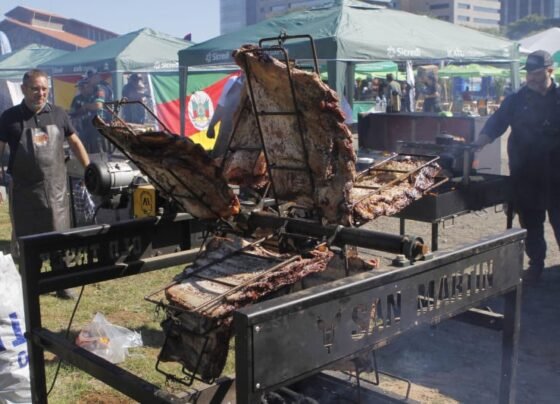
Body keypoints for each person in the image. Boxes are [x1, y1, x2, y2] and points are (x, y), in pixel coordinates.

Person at [0, 69, 90, 299]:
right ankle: (31, 283)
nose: (40, 93)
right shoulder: (9, 118)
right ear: (23, 89)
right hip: (24, 191)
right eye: (35, 89)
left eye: (44, 89)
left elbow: (75, 141)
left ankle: (62, 283)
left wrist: (90, 169)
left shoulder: (59, 114)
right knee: (29, 239)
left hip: (56, 189)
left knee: (59, 236)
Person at [474, 50, 560, 282]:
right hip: (526, 173)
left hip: (557, 174)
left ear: (549, 71)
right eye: (528, 73)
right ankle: (536, 266)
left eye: (536, 73)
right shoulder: (516, 99)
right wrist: (478, 145)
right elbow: (496, 124)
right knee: (531, 223)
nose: (530, 78)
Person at [207, 73, 245, 158]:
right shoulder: (233, 81)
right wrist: (212, 125)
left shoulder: (257, 86)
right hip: (226, 127)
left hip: (243, 129)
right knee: (218, 156)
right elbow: (222, 105)